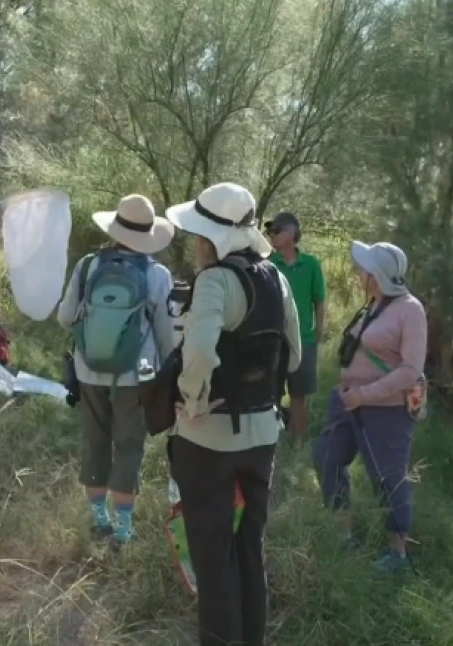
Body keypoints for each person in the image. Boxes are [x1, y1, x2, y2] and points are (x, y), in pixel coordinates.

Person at [165, 182, 301, 646]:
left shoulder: (214, 281)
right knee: (250, 552)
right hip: (263, 436)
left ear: (212, 238)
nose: (195, 243)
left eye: (198, 235)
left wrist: (194, 401)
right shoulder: (277, 278)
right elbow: (295, 355)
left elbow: (198, 351)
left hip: (208, 441)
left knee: (212, 557)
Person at [55, 194, 176, 548]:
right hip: (135, 375)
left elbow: (64, 318)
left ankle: (99, 519)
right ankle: (124, 529)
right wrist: (166, 369)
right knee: (128, 444)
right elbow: (167, 335)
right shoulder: (156, 274)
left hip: (89, 367)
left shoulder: (89, 266)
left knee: (95, 439)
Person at [312, 241, 427, 572]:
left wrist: (366, 394)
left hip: (385, 410)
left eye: (363, 268)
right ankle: (343, 534)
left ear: (377, 275)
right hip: (347, 402)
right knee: (326, 456)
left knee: (390, 477)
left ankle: (398, 553)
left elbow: (410, 370)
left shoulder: (411, 310)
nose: (357, 271)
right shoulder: (374, 305)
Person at [266, 211, 326, 439]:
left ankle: (297, 442)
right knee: (271, 393)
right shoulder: (269, 264)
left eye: (276, 231)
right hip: (274, 340)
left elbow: (319, 300)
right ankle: (271, 440)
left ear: (291, 233)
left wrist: (319, 331)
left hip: (304, 340)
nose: (271, 235)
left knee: (299, 394)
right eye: (270, 232)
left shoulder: (311, 264)